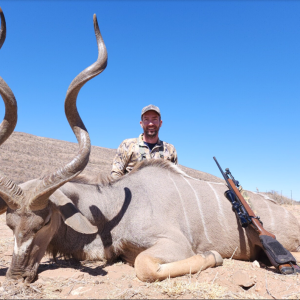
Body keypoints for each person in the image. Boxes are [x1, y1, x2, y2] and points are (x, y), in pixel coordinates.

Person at [111, 104, 178, 178]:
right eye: (146, 119)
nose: (150, 123)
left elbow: (175, 179)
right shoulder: (127, 145)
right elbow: (116, 175)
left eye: (154, 119)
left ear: (160, 123)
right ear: (141, 124)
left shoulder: (170, 149)